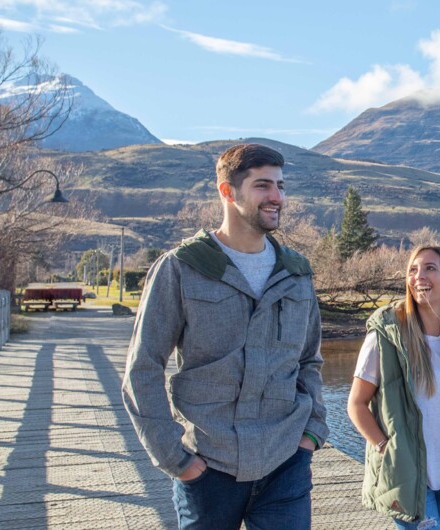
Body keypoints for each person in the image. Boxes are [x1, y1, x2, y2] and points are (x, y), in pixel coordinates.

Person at [122, 143, 328, 530]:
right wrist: (176, 459)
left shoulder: (297, 273)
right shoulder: (181, 268)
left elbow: (308, 361)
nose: (277, 197)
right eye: (263, 186)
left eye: (281, 186)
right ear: (227, 191)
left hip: (285, 464)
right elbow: (143, 368)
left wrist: (312, 434)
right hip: (208, 468)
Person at [347, 245, 440, 530]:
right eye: (413, 269)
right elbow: (356, 404)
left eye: (430, 268)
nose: (418, 276)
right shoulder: (386, 333)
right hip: (407, 472)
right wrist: (387, 448)